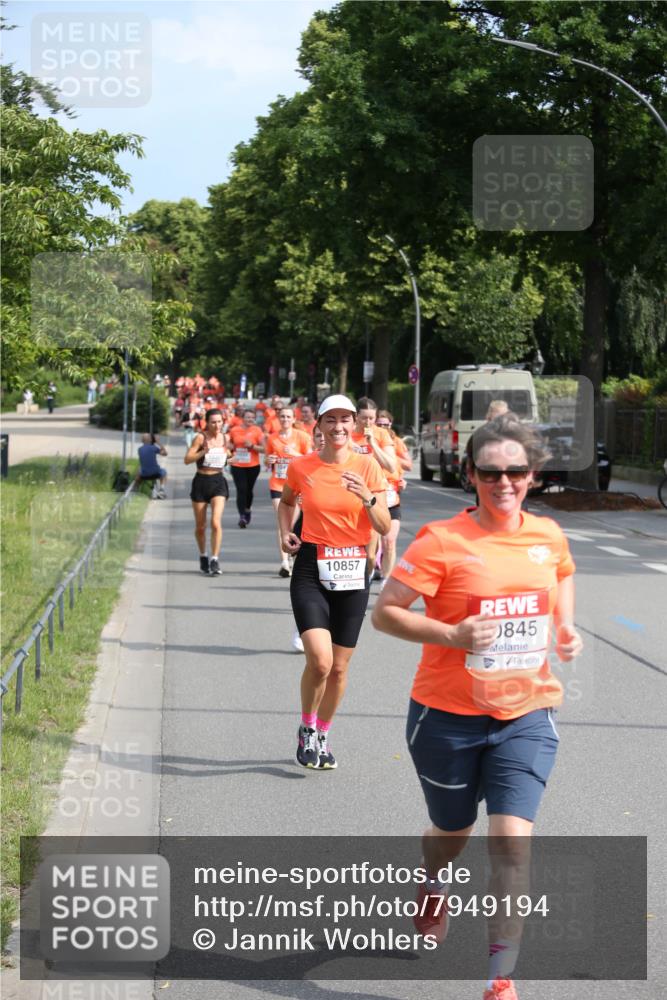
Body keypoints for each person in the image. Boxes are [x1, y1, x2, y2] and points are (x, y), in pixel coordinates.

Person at [372, 415, 583, 1000]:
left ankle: (498, 978)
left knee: (513, 844)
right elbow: (386, 612)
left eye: (515, 471)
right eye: (491, 472)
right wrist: (454, 636)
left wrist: (564, 627)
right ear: (470, 475)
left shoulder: (546, 536)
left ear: (533, 475)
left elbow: (562, 575)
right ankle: (434, 883)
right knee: (451, 830)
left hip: (526, 713)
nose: (504, 482)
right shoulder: (442, 540)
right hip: (445, 716)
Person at [278, 394, 390, 769]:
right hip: (312, 566)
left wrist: (368, 498)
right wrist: (284, 533)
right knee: (321, 662)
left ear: (355, 423)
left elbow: (385, 526)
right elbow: (287, 501)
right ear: (320, 426)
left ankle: (323, 733)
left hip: (354, 569)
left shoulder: (368, 467)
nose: (339, 426)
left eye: (346, 419)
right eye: (331, 419)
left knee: (340, 668)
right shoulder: (302, 466)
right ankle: (306, 727)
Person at [350, 397, 396, 579]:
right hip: (350, 494)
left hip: (374, 495)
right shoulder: (347, 433)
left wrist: (373, 444)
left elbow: (391, 466)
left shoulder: (381, 435)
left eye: (371, 418)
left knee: (370, 554)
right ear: (356, 417)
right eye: (363, 418)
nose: (368, 422)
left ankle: (365, 580)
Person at [265, 406, 311, 577]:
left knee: (292, 524)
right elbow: (267, 459)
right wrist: (268, 459)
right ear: (278, 419)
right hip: (278, 484)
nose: (284, 419)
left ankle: (292, 554)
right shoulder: (272, 438)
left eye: (288, 416)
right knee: (281, 522)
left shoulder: (303, 436)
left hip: (297, 486)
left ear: (293, 419)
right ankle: (284, 561)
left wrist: (294, 453)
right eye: (282, 416)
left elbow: (310, 459)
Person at [184, 409, 229, 575]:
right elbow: (187, 459)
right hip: (201, 482)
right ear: (207, 423)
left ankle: (215, 559)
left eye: (219, 422)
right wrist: (204, 451)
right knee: (201, 526)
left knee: (216, 522)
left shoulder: (225, 438)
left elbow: (229, 457)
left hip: (218, 482)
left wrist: (229, 456)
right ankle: (203, 555)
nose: (217, 425)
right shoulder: (200, 438)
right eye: (213, 422)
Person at [227, 408, 264, 528]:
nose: (250, 420)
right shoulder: (235, 430)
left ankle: (247, 509)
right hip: (237, 464)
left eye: (252, 418)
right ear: (243, 418)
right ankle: (242, 515)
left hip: (253, 465)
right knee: (241, 489)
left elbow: (264, 449)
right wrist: (230, 446)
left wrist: (252, 446)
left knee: (249, 490)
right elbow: (228, 444)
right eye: (248, 417)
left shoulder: (257, 430)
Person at [137, 433, 168, 498]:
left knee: (139, 474)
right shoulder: (154, 448)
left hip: (144, 474)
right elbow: (165, 453)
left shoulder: (139, 449)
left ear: (142, 441)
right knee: (164, 472)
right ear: (150, 440)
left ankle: (135, 490)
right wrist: (158, 442)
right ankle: (161, 490)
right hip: (155, 473)